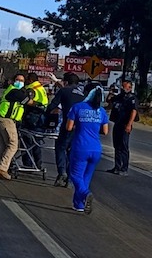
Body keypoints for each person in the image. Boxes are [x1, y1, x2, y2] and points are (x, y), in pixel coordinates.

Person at [66, 86, 109, 214]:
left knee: (75, 175)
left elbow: (69, 127)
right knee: (86, 177)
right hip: (96, 148)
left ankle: (85, 194)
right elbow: (105, 131)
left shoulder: (77, 107)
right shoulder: (101, 111)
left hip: (80, 147)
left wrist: (80, 127)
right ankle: (78, 205)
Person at [0, 74, 33, 180]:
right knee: (13, 145)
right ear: (12, 81)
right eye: (18, 80)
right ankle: (2, 168)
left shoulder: (10, 90)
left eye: (22, 80)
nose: (20, 82)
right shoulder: (15, 91)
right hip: (6, 121)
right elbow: (30, 102)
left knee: (1, 147)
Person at [46, 72, 85, 186]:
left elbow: (53, 105)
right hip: (80, 127)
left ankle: (62, 172)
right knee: (72, 151)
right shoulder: (82, 94)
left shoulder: (64, 91)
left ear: (66, 82)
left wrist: (46, 113)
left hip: (68, 124)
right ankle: (69, 177)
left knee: (60, 147)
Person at [106, 80, 138, 176]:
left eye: (125, 86)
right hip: (117, 123)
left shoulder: (132, 98)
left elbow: (134, 111)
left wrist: (129, 124)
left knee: (124, 146)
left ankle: (124, 168)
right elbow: (109, 101)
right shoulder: (119, 97)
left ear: (130, 87)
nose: (123, 88)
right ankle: (117, 167)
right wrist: (110, 92)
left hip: (125, 124)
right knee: (117, 146)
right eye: (122, 86)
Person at [21, 72, 49, 168]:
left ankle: (27, 164)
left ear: (31, 80)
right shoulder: (41, 88)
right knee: (36, 142)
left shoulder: (31, 89)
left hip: (32, 117)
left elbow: (27, 102)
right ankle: (38, 163)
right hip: (42, 117)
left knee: (26, 141)